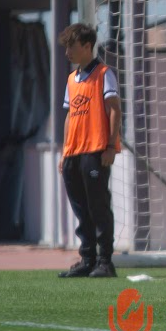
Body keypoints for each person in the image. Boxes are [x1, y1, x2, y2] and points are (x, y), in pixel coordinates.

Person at [57, 23, 122, 279]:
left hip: (95, 151)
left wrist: (110, 146)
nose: (67, 53)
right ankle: (87, 259)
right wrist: (65, 151)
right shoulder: (71, 79)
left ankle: (105, 262)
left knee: (98, 206)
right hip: (73, 153)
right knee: (81, 209)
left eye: (71, 47)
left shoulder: (104, 73)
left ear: (86, 46)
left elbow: (114, 109)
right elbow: (70, 116)